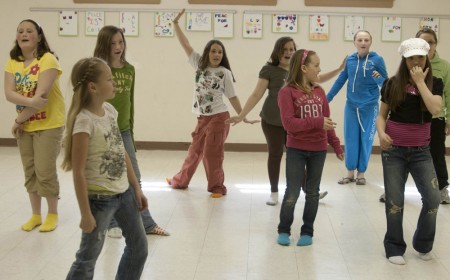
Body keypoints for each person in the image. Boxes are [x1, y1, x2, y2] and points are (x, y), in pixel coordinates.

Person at [226, 37, 345, 205]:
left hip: (295, 124)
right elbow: (256, 94)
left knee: (296, 155)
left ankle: (309, 192)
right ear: (277, 51)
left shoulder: (298, 71)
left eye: (291, 49)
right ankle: (274, 192)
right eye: (285, 49)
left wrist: (339, 69)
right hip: (272, 121)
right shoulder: (269, 70)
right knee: (275, 154)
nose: (288, 52)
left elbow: (318, 78)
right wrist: (241, 115)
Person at [62, 57, 148, 279]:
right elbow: (78, 172)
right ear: (93, 87)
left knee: (139, 248)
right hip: (99, 201)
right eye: (109, 79)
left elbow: (121, 151)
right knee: (87, 259)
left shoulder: (109, 111)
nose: (115, 84)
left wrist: (136, 187)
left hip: (124, 194)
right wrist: (85, 213)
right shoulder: (84, 122)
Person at [93, 25, 169, 238]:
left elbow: (130, 103)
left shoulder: (129, 70)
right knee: (109, 178)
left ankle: (146, 223)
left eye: (121, 42)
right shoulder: (97, 69)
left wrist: (131, 134)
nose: (118, 47)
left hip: (124, 130)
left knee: (134, 176)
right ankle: (111, 223)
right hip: (103, 131)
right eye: (113, 43)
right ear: (104, 45)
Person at [166, 9, 246, 198]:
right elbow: (185, 44)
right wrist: (176, 24)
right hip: (202, 118)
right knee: (194, 152)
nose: (217, 54)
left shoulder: (224, 73)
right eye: (213, 51)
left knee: (212, 153)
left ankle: (217, 187)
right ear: (208, 53)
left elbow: (232, 96)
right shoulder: (198, 64)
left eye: (220, 52)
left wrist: (243, 115)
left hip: (220, 117)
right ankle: (180, 181)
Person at [376, 38, 442, 265]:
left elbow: (434, 108)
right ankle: (394, 246)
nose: (416, 62)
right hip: (394, 151)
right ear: (404, 60)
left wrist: (420, 82)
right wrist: (381, 134)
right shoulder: (392, 83)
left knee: (433, 199)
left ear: (427, 59)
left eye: (420, 57)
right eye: (411, 58)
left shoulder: (436, 82)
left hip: (422, 152)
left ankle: (423, 244)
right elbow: (381, 115)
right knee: (395, 201)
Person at [276, 49, 344, 246]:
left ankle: (308, 231)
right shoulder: (286, 92)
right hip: (296, 149)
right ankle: (284, 230)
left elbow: (327, 123)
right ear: (304, 68)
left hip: (318, 150)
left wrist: (336, 145)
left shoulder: (319, 92)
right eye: (316, 65)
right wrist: (317, 122)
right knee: (292, 192)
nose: (319, 69)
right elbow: (289, 124)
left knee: (313, 192)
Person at [4, 19, 65, 232]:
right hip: (25, 124)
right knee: (30, 171)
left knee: (45, 170)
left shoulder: (48, 60)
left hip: (49, 124)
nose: (24, 34)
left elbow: (43, 97)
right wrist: (27, 108)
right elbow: (9, 93)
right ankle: (36, 215)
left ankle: (52, 214)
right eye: (20, 31)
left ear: (39, 36)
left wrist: (19, 118)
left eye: (29, 30)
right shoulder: (13, 62)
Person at [327, 30, 388, 185]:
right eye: (360, 40)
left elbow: (387, 85)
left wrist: (378, 78)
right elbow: (341, 80)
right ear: (354, 42)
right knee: (351, 139)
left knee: (366, 140)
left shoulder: (378, 60)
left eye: (366, 40)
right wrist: (326, 99)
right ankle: (349, 173)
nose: (363, 43)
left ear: (370, 42)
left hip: (369, 107)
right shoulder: (350, 60)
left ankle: (361, 173)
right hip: (351, 106)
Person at [416, 28, 450, 204]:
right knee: (408, 154)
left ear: (436, 44)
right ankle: (395, 189)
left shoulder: (444, 66)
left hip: (436, 119)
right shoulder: (411, 63)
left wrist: (449, 119)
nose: (427, 46)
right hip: (413, 118)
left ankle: (443, 188)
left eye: (431, 42)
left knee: (437, 154)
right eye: (423, 42)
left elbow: (449, 94)